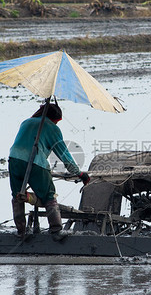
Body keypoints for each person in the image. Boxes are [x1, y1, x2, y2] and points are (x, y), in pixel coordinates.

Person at [8, 102, 90, 240]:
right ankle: (56, 231)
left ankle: (21, 232)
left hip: (14, 159)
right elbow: (64, 154)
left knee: (17, 195)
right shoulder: (52, 128)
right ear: (54, 119)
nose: (56, 125)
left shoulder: (26, 122)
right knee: (49, 197)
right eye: (57, 122)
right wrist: (78, 173)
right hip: (35, 162)